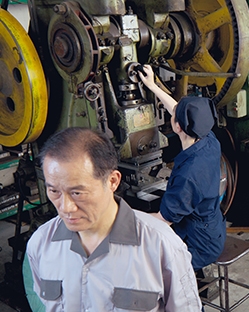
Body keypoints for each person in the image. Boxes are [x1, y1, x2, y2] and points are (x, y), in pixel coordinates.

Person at [23, 128, 202, 311]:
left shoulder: (161, 246)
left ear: (112, 181)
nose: (66, 207)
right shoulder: (40, 244)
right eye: (54, 191)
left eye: (77, 193)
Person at [139, 65, 226, 272]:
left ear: (177, 127)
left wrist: (122, 217)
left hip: (199, 244)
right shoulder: (208, 139)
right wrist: (152, 85)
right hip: (211, 227)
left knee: (147, 267)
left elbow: (163, 220)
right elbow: (177, 109)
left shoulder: (189, 176)